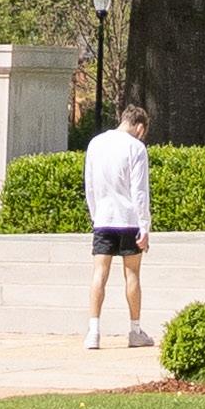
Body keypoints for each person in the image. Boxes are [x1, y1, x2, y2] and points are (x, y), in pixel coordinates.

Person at [82, 99, 152, 350]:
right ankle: (135, 330)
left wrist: (96, 215)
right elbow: (139, 191)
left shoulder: (96, 143)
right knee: (132, 274)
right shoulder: (136, 148)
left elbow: (89, 184)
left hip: (103, 218)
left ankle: (93, 331)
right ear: (140, 127)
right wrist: (144, 226)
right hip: (129, 220)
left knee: (99, 274)